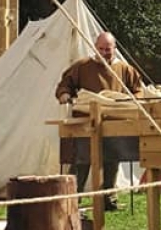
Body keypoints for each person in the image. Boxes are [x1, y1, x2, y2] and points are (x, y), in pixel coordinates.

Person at [55, 31, 143, 210]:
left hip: (114, 123)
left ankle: (108, 200)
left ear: (114, 49)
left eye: (108, 49)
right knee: (81, 162)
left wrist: (134, 101)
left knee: (112, 162)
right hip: (86, 124)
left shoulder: (124, 69)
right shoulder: (83, 66)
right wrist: (64, 94)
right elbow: (65, 84)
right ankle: (72, 202)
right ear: (95, 48)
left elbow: (137, 89)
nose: (104, 53)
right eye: (101, 49)